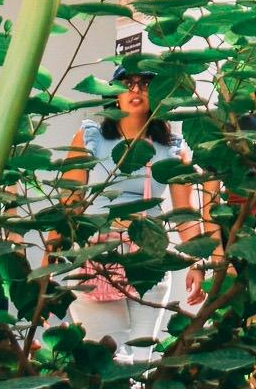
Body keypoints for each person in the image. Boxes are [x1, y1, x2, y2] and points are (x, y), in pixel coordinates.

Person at [64, 69, 205, 357]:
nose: (136, 90)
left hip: (148, 257)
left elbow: (183, 210)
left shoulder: (172, 149)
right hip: (99, 255)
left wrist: (197, 261)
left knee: (142, 357)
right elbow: (71, 201)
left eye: (145, 84)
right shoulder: (92, 137)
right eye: (127, 84)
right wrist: (53, 250)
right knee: (104, 356)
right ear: (114, 94)